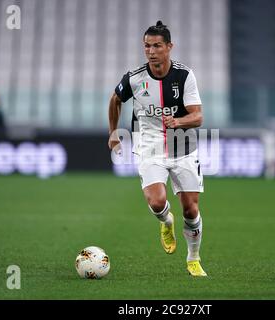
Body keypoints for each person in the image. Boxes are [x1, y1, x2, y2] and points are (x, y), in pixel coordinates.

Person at [107, 21, 207, 276]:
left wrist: (179, 121)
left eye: (157, 46)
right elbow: (115, 99)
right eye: (147, 46)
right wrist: (113, 133)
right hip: (149, 145)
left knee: (191, 209)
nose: (151, 51)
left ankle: (193, 258)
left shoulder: (185, 76)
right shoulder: (134, 78)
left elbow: (197, 117)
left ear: (169, 47)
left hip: (183, 146)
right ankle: (166, 221)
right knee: (156, 201)